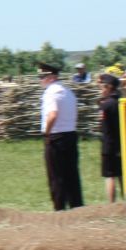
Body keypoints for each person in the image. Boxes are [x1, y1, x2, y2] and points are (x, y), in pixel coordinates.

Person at [37, 62, 83, 211]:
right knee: (72, 175)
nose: (40, 79)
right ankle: (77, 207)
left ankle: (59, 209)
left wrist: (46, 133)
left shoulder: (51, 93)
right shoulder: (68, 92)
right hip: (71, 135)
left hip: (56, 137)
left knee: (56, 177)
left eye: (42, 76)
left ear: (51, 77)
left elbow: (53, 114)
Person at [96, 73, 126, 204]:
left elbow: (102, 125)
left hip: (109, 145)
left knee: (110, 176)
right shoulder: (124, 103)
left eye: (102, 86)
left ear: (108, 87)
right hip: (123, 144)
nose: (100, 89)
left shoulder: (106, 105)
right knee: (122, 174)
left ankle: (111, 205)